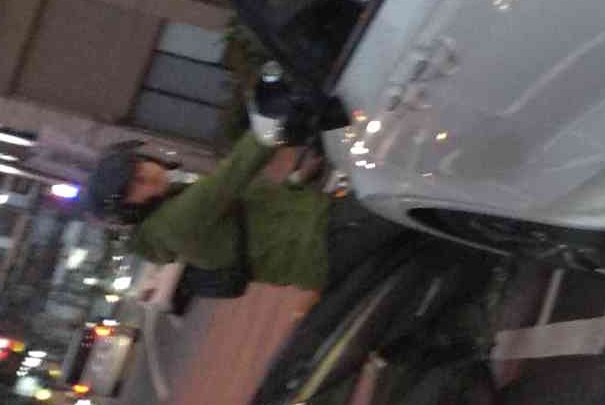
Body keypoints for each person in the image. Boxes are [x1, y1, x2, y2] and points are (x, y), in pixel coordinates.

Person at [83, 73, 409, 295]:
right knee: (412, 199)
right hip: (323, 244)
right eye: (134, 186)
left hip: (324, 226)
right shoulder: (171, 227)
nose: (145, 174)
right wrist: (268, 126)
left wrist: (296, 179)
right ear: (129, 209)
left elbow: (252, 216)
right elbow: (231, 177)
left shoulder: (175, 201)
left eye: (138, 165)